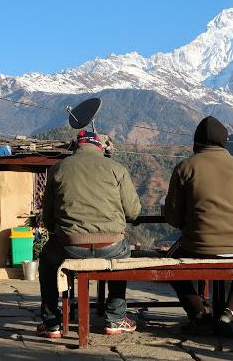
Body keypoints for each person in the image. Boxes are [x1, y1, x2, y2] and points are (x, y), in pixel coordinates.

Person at [165, 116, 233, 338]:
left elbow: (172, 217)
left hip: (196, 246)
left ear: (196, 141)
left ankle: (199, 313)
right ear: (224, 141)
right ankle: (229, 314)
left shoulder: (184, 168)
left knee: (167, 263)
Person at [37, 130, 142, 338]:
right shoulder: (117, 169)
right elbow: (133, 212)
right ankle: (116, 317)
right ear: (100, 148)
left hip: (70, 247)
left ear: (76, 146)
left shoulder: (58, 169)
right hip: (111, 246)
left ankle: (51, 323)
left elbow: (47, 219)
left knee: (46, 261)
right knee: (122, 257)